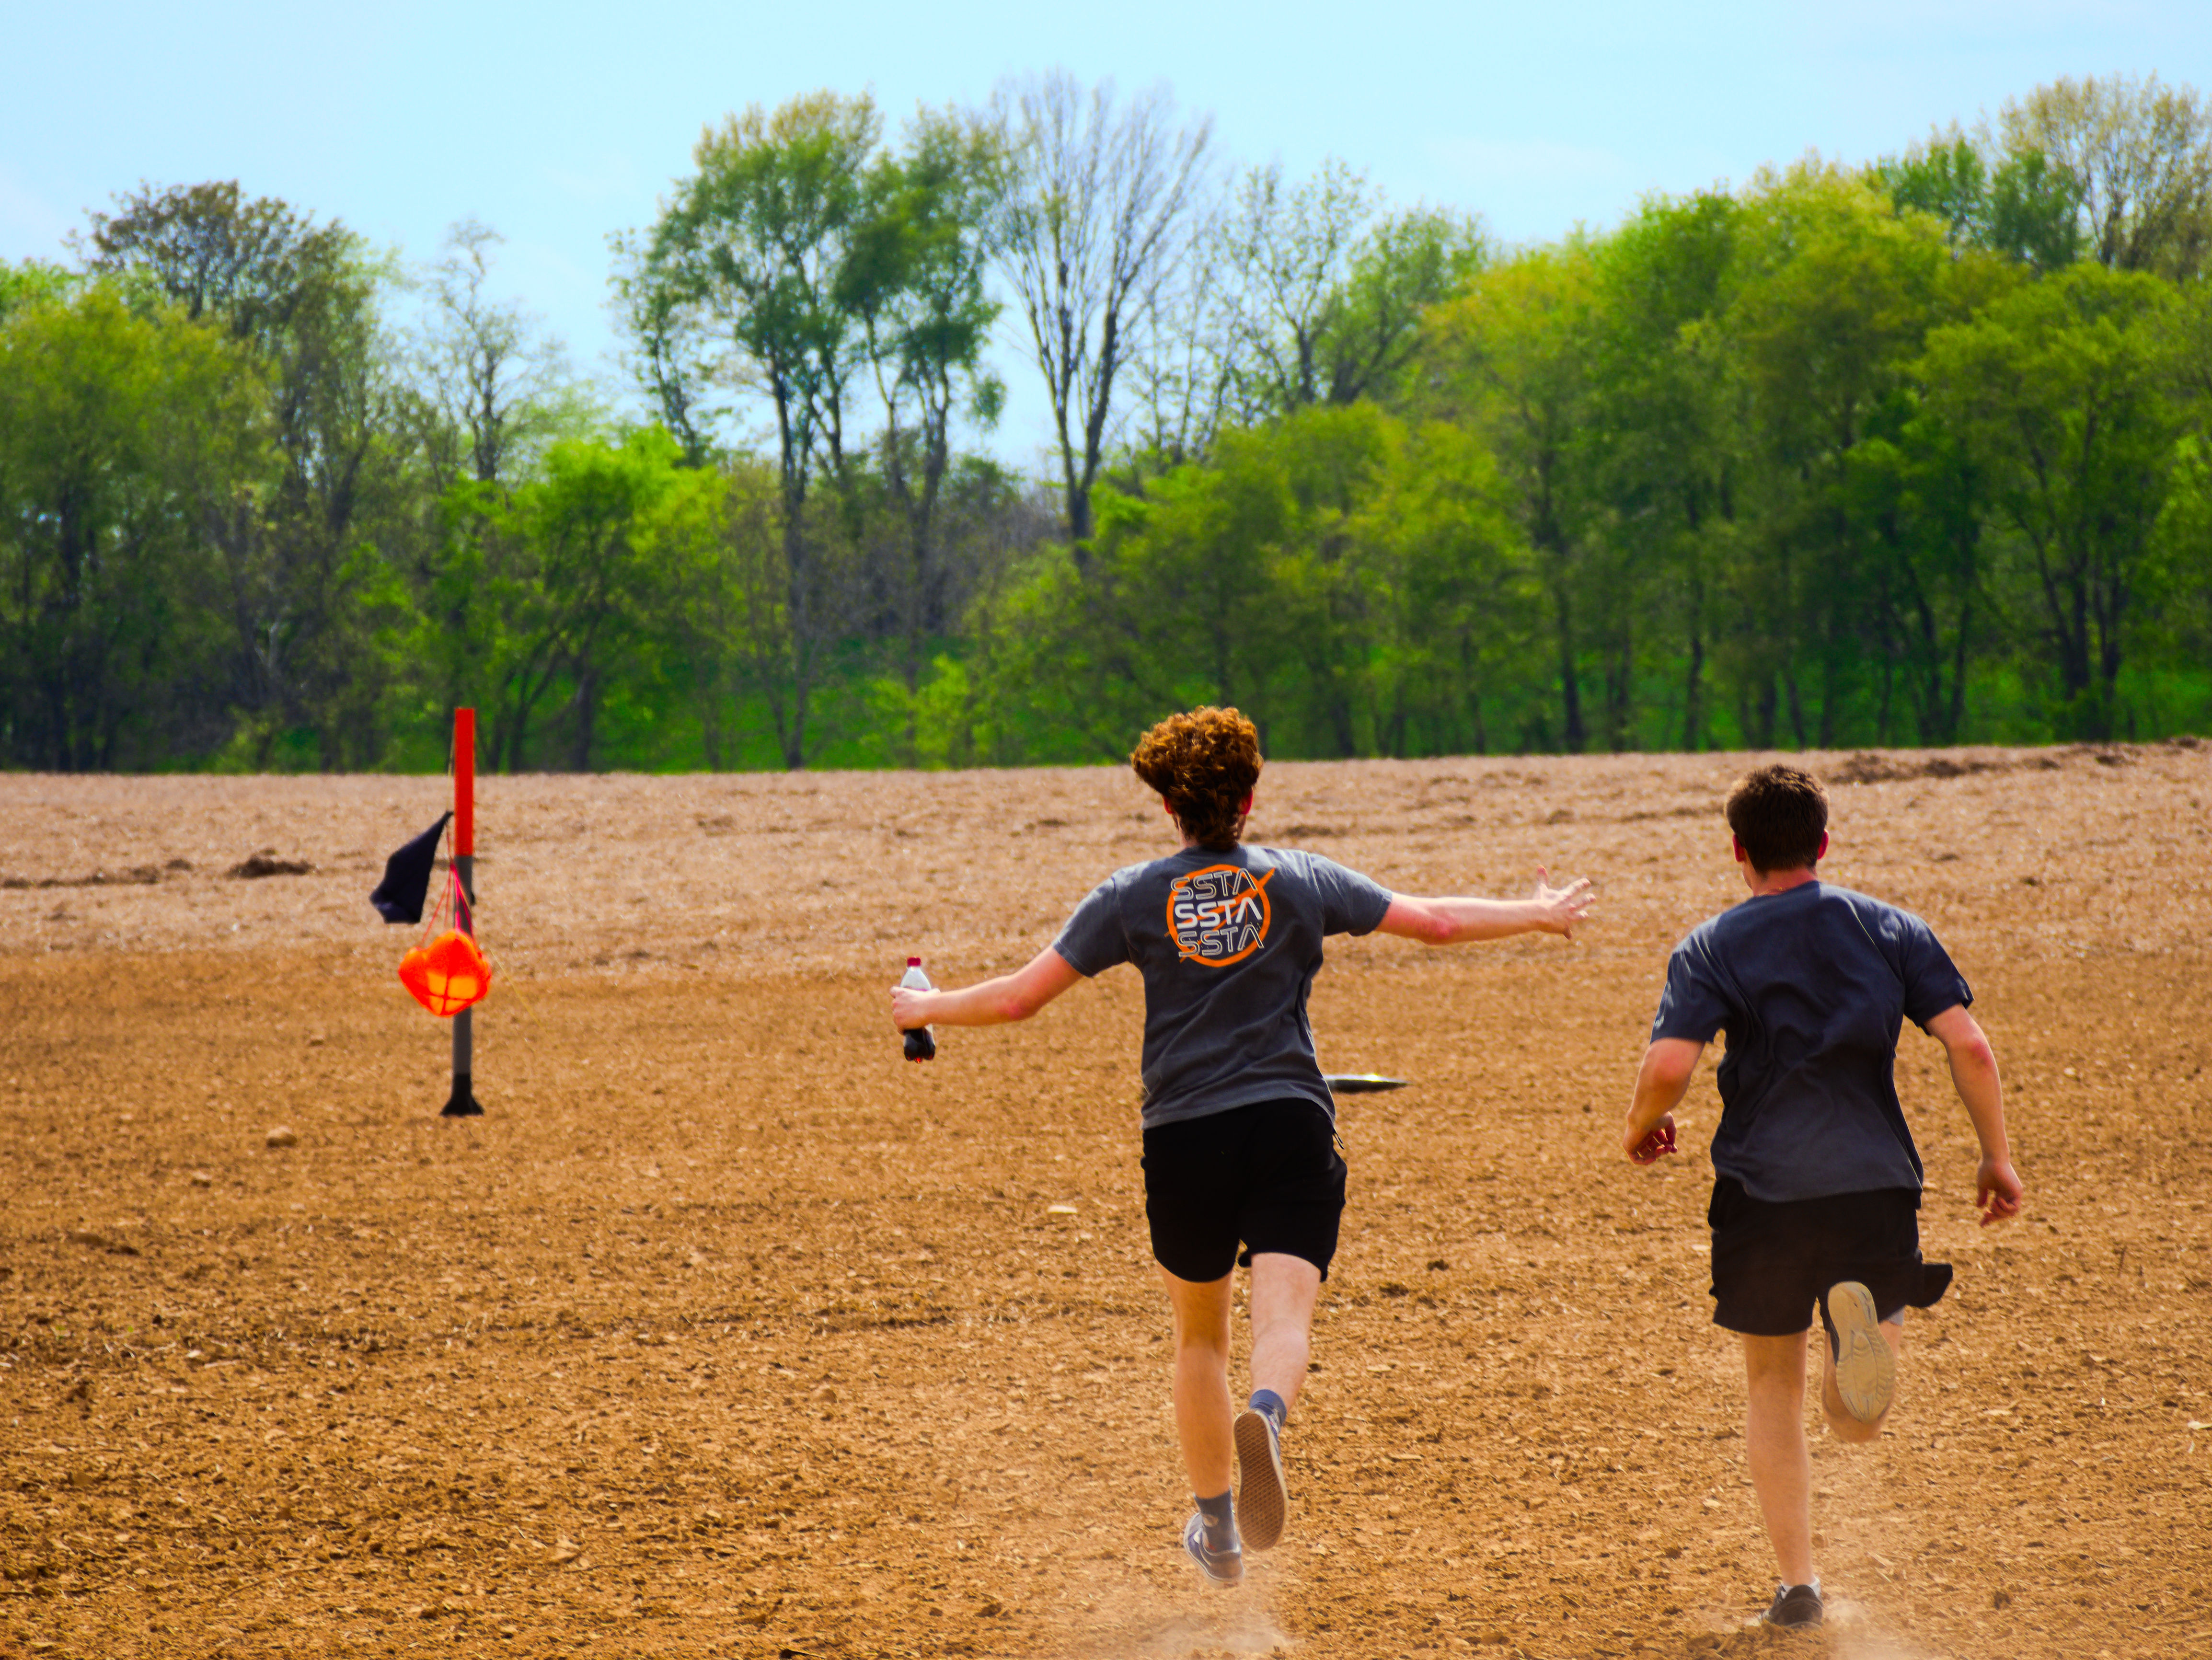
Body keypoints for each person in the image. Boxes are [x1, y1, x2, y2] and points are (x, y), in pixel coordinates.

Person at [890, 707, 1593, 1585]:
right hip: (1289, 1122)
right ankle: (1267, 1411)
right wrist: (1536, 913)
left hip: (1184, 1135)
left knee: (1199, 1340)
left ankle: (1219, 1529)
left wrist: (926, 1007)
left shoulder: (1130, 896)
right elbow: (1437, 924)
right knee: (1283, 1319)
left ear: (1168, 807)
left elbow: (1019, 1000)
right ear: (1250, 799)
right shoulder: (1300, 878)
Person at [1620, 763, 2023, 1631]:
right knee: (1854, 1423)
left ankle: (1800, 1585)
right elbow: (1973, 1048)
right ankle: (1855, 1369)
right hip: (1873, 1183)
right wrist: (1996, 1157)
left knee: (1772, 1385)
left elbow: (1668, 1066)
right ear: (1824, 842)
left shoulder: (1713, 944)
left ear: (1738, 850)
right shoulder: (1890, 928)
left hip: (1764, 1190)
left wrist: (1639, 1126)